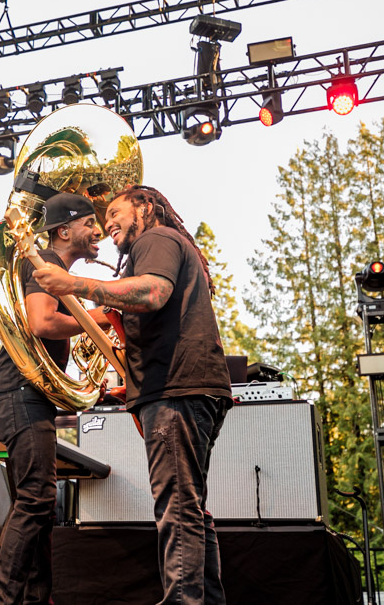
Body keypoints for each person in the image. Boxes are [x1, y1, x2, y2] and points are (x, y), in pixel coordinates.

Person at [33, 186, 233, 605]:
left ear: (145, 207)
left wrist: (73, 283)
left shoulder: (155, 238)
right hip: (186, 388)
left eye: (115, 213)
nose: (107, 225)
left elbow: (152, 293)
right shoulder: (170, 243)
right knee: (190, 506)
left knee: (177, 507)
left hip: (176, 390)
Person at [0, 192, 110, 605]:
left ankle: (37, 600)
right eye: (90, 223)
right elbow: (42, 322)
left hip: (25, 395)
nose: (99, 231)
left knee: (37, 505)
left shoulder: (53, 268)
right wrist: (106, 316)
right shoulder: (46, 263)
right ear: (63, 230)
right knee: (38, 499)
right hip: (20, 393)